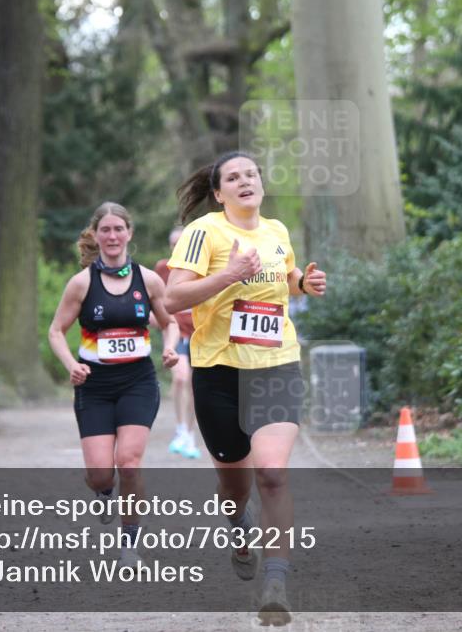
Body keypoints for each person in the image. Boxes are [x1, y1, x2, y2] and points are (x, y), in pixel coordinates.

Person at [164, 151, 326, 625]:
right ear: (219, 193)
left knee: (272, 473)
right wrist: (228, 276)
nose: (244, 181)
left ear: (261, 183)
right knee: (234, 488)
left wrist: (304, 283)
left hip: (275, 365)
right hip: (219, 372)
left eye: (251, 174)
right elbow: (173, 297)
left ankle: (275, 581)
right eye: (232, 177)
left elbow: (285, 279)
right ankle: (238, 525)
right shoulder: (204, 233)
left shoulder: (277, 231)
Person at [48, 202, 180, 571]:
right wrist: (71, 364)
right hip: (94, 386)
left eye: (118, 229)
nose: (111, 236)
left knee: (130, 463)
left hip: (138, 381)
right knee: (101, 473)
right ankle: (104, 492)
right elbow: (56, 331)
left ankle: (129, 545)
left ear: (129, 234)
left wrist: (169, 347)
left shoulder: (148, 280)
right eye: (104, 230)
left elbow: (169, 322)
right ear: (95, 235)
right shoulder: (81, 283)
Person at [154, 227, 200, 459]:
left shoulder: (203, 266)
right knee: (181, 377)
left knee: (193, 384)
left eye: (181, 243)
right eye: (173, 244)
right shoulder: (163, 269)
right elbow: (155, 301)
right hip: (176, 331)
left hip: (201, 332)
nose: (176, 248)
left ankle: (189, 434)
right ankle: (180, 429)